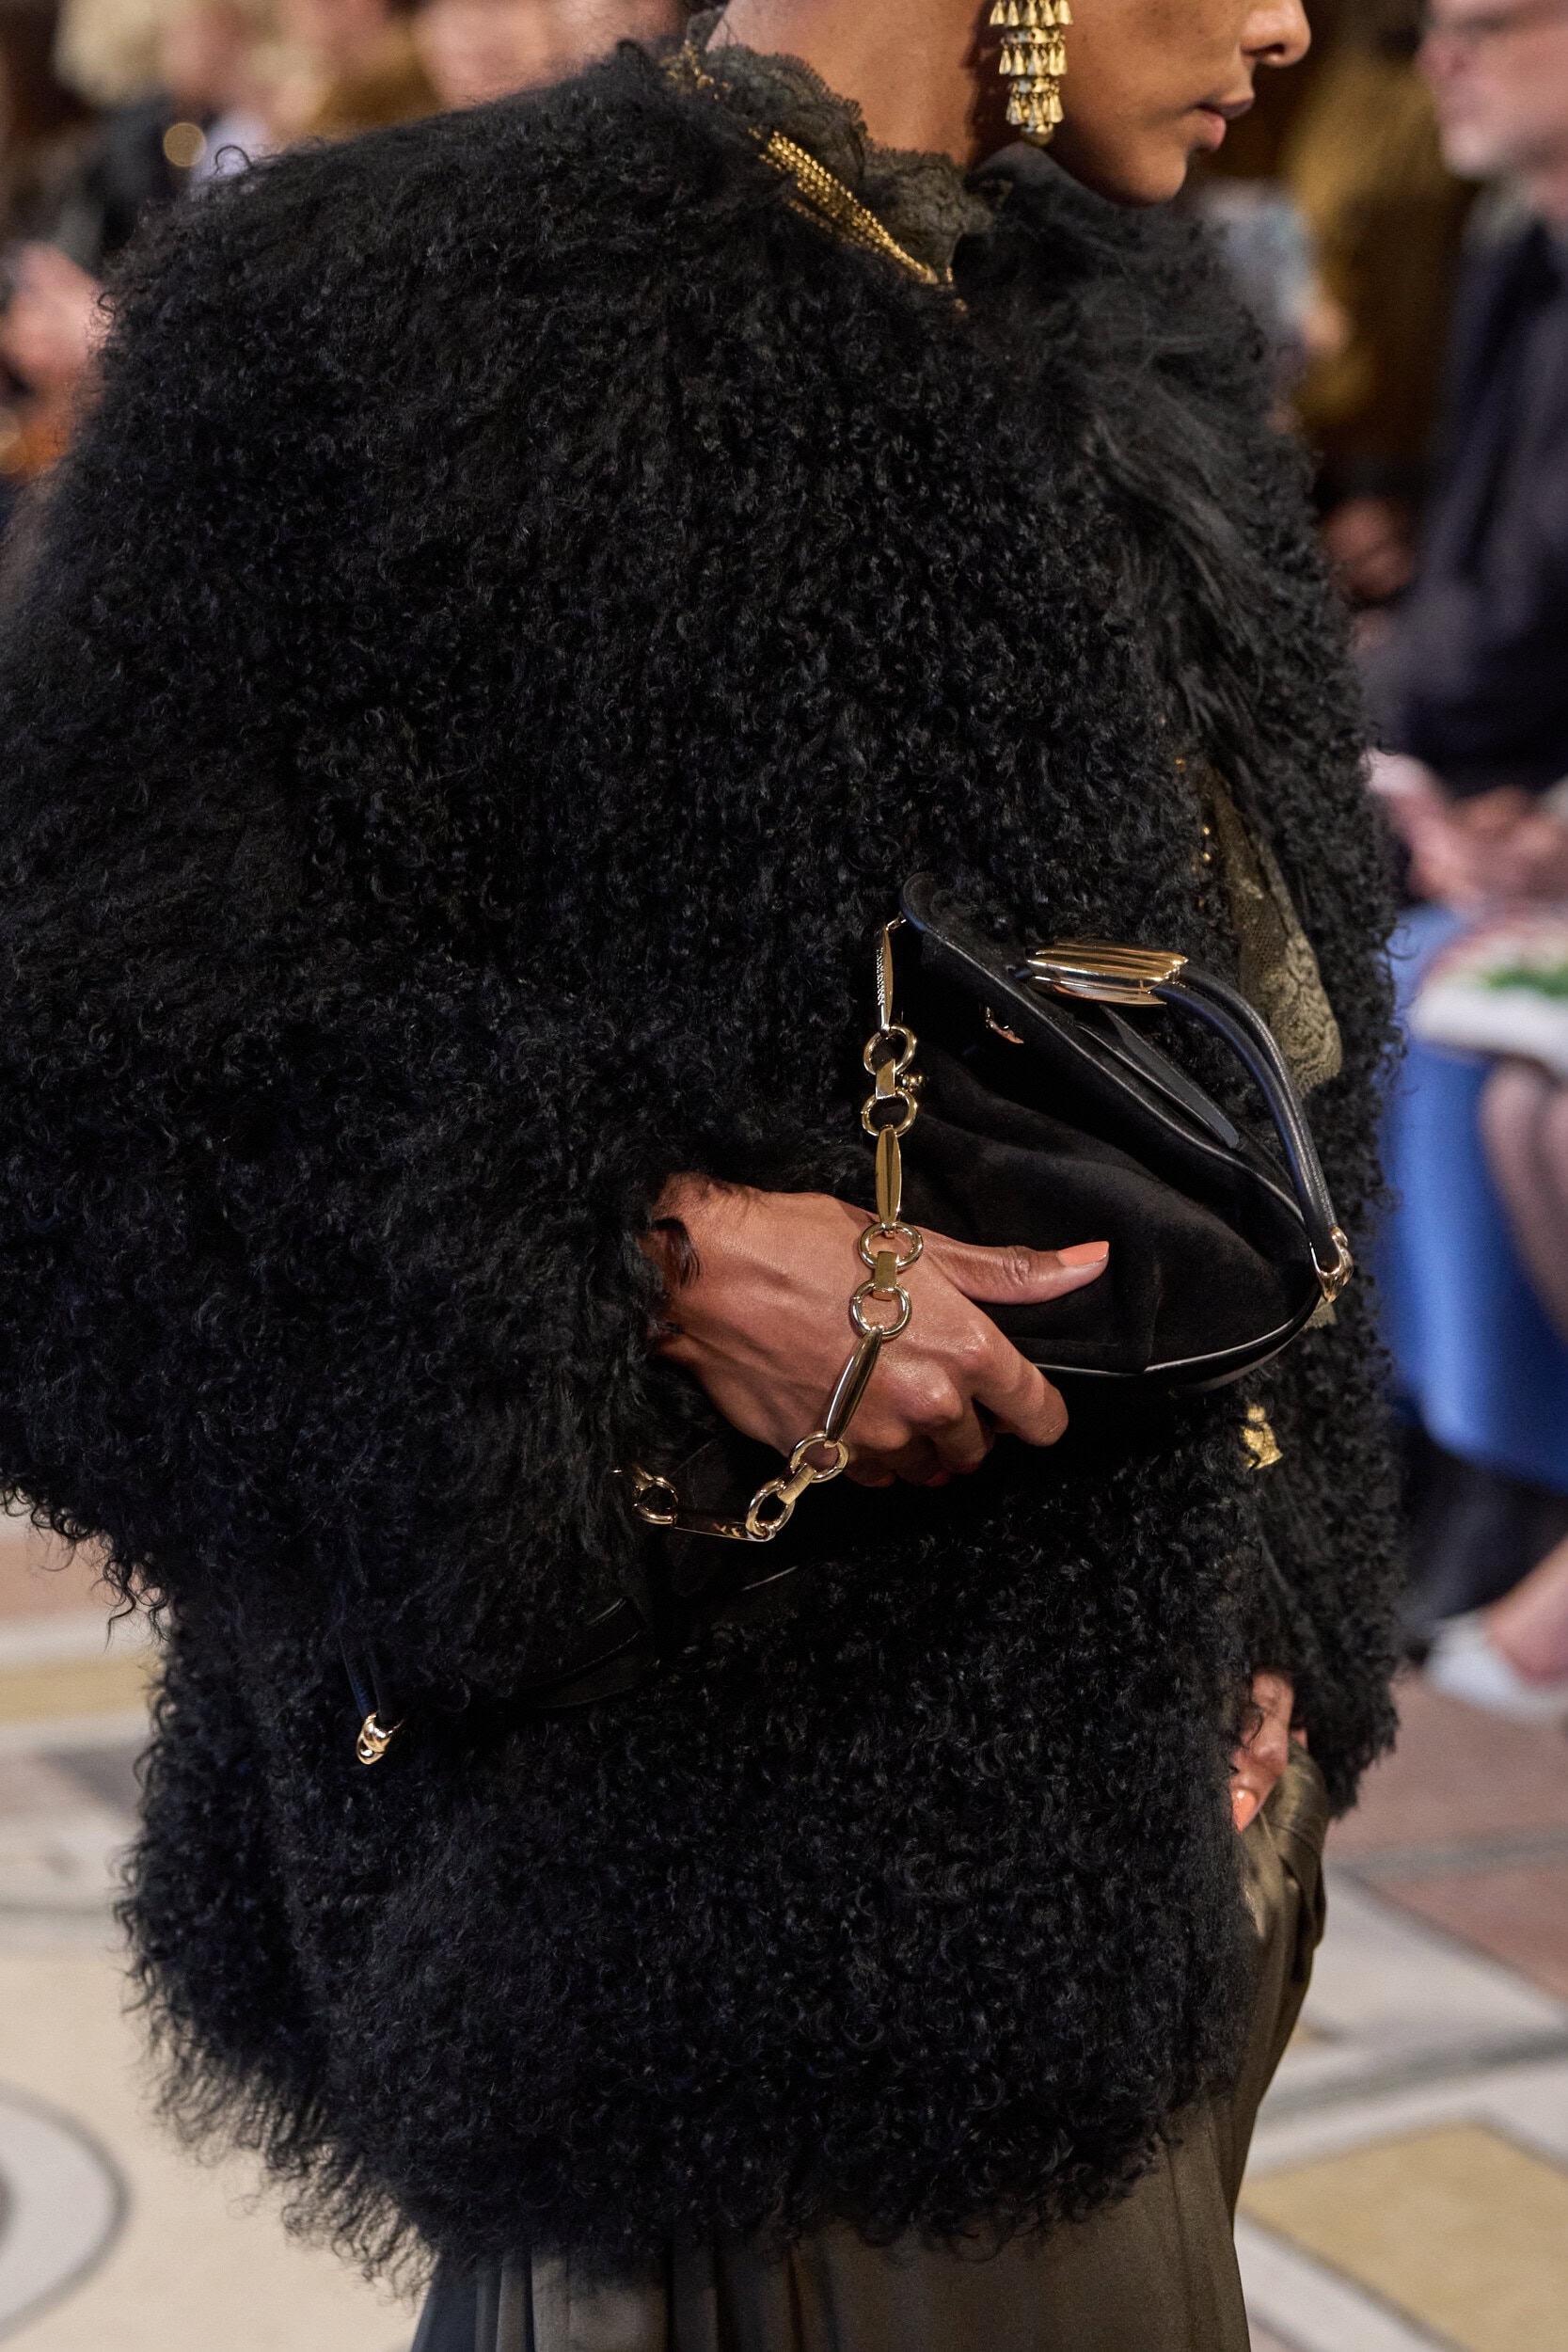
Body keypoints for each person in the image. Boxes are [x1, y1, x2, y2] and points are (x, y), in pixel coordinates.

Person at [0, 2, 1402, 2346]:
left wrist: (1271, 1604)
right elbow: (85, 1089)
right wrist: (639, 1257)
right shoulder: (396, 312)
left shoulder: (1107, 309)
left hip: (1160, 1871)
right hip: (729, 1919)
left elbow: (1265, 1077)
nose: (1284, 22)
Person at [1367, 0, 1568, 1666]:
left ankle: (1504, 1486)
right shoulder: (1519, 247)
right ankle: (1448, 1466)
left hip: (1525, 779)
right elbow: (1480, 575)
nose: (1441, 59)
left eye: (1484, 22)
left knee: (1455, 1029)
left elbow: (1517, 624)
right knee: (1399, 983)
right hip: (1514, 791)